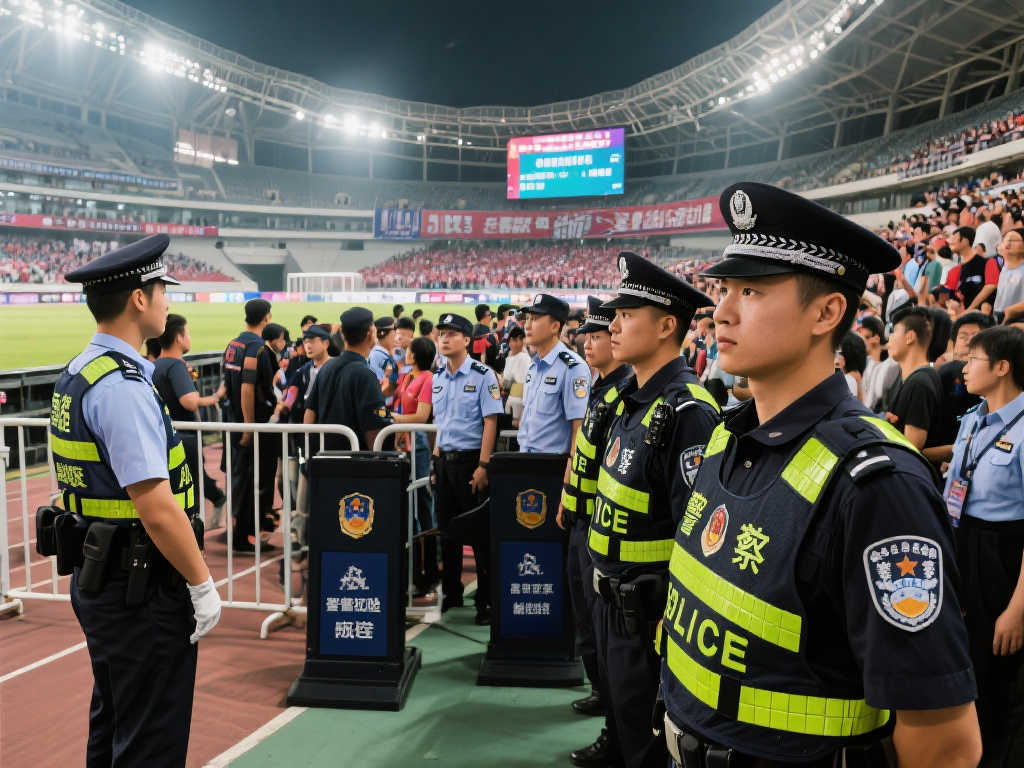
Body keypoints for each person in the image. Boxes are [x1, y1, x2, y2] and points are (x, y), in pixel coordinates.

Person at [661, 181, 980, 768]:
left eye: (751, 291)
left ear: (828, 311)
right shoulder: (725, 437)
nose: (722, 310)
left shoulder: (879, 485)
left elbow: (944, 743)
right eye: (725, 288)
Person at [50, 234, 221, 765]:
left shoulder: (84, 371)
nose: (168, 300)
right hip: (139, 588)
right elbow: (155, 503)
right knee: (151, 739)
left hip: (107, 576)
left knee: (118, 720)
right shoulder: (122, 386)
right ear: (139, 299)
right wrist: (202, 584)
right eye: (161, 289)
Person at [578, 253, 720, 768]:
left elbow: (696, 530)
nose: (612, 325)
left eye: (627, 314)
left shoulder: (688, 411)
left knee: (648, 743)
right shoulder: (632, 400)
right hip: (613, 599)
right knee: (622, 721)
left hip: (650, 614)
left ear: (666, 326)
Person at [945, 326, 1024, 765]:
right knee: (963, 665)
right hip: (962, 543)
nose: (964, 367)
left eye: (972, 359)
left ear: (1001, 367)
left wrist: (1016, 609)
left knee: (995, 678)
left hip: (1003, 559)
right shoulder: (973, 419)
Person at [556, 297, 633, 733]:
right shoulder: (600, 385)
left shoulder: (623, 391)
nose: (589, 343)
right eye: (587, 335)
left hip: (604, 527)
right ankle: (601, 693)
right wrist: (569, 494)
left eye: (598, 335)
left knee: (601, 625)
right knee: (586, 616)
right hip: (583, 517)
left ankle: (612, 715)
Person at [430, 312, 504, 624]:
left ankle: (485, 601)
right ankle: (451, 591)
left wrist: (484, 465)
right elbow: (439, 422)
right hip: (444, 462)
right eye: (441, 333)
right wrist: (435, 460)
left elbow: (491, 421)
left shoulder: (482, 375)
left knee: (478, 534)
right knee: (447, 533)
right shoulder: (438, 377)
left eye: (451, 334)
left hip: (471, 462)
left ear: (466, 340)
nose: (444, 339)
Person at [151, 313, 228, 526]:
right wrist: (214, 397)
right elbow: (189, 402)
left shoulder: (155, 365)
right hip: (185, 438)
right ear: (178, 337)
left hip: (166, 435)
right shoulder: (176, 366)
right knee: (190, 486)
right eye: (188, 333)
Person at [221, 298, 274, 553]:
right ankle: (241, 536)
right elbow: (247, 389)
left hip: (232, 419)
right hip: (249, 424)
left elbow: (226, 384)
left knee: (241, 477)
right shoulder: (257, 348)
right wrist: (249, 427)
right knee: (252, 479)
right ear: (266, 317)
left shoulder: (233, 344)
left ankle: (243, 531)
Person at [303, 307, 392, 451]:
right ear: (370, 334)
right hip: (353, 465)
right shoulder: (365, 375)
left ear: (343, 336)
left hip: (323, 460)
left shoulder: (327, 367)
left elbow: (310, 413)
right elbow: (374, 424)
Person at [393, 335, 439, 595]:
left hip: (419, 447)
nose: (405, 352)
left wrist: (395, 419)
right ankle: (412, 572)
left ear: (416, 354)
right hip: (403, 446)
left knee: (422, 504)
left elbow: (422, 416)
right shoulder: (406, 376)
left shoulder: (428, 379)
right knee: (408, 505)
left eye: (409, 350)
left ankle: (429, 572)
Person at [517, 293, 589, 454]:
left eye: (534, 319)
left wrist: (570, 470)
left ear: (555, 327)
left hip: (552, 467)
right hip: (523, 459)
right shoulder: (533, 366)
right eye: (527, 318)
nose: (527, 325)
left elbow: (578, 426)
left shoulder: (573, 367)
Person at [886, 306, 945, 457]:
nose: (889, 338)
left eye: (894, 332)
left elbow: (910, 448)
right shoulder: (916, 379)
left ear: (910, 337)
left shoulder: (920, 383)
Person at [856, 315, 900, 412]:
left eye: (864, 338)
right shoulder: (866, 362)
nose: (861, 342)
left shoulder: (891, 366)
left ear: (875, 338)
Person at [502, 325, 531, 421]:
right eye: (510, 341)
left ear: (523, 341)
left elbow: (520, 384)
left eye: (515, 340)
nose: (512, 344)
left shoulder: (524, 358)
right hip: (510, 396)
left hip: (517, 401)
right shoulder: (511, 356)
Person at [368, 316, 399, 401]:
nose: (396, 334)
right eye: (394, 330)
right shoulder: (378, 355)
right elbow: (381, 386)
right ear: (383, 333)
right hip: (384, 404)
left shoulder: (384, 352)